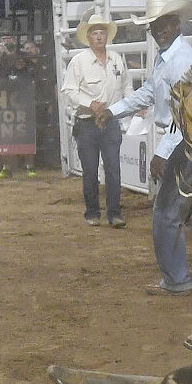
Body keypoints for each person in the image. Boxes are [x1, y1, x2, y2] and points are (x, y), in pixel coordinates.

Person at [109, 0, 192, 296]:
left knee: (166, 213)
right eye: (154, 26)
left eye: (162, 25)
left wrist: (162, 151)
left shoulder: (180, 60)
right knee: (190, 209)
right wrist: (112, 110)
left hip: (183, 141)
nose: (157, 30)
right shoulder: (169, 58)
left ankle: (177, 280)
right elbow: (150, 93)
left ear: (175, 24)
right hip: (187, 140)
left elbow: (186, 110)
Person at [61, 14, 126, 226]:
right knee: (90, 170)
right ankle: (93, 212)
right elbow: (69, 90)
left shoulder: (117, 59)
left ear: (107, 36)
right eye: (95, 33)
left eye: (102, 33)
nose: (99, 37)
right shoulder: (79, 62)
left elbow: (126, 85)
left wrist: (132, 105)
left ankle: (114, 212)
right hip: (88, 122)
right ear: (88, 37)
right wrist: (91, 104)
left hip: (110, 121)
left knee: (113, 169)